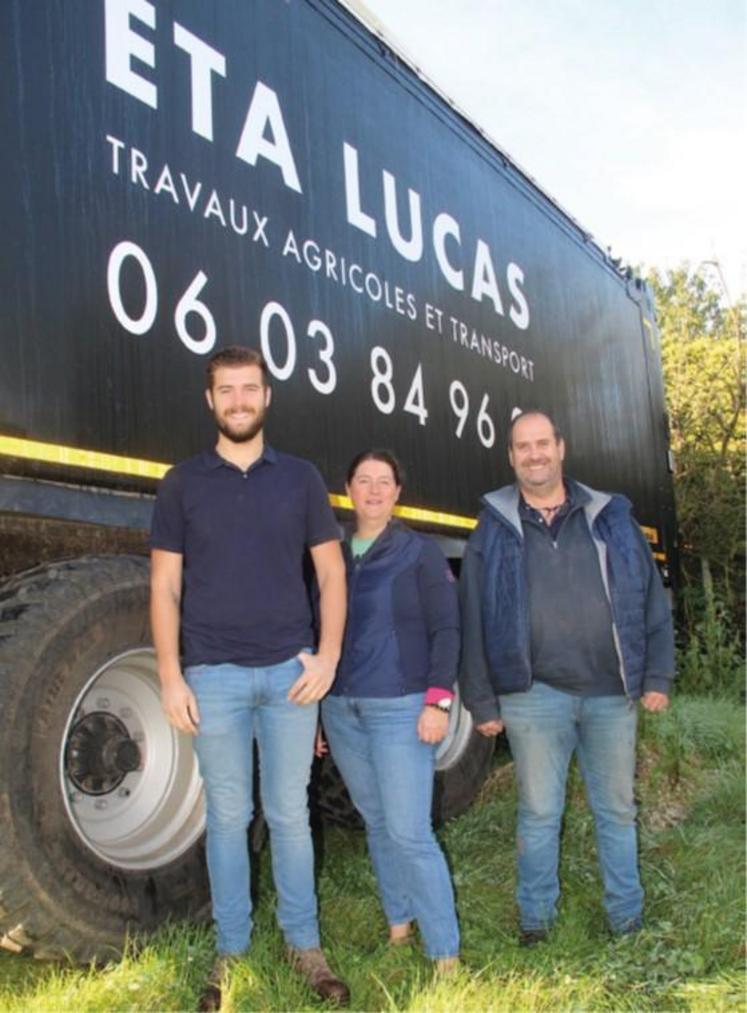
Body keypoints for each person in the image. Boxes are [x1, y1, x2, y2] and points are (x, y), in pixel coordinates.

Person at [149, 346, 349, 1009]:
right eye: (226, 389)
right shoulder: (181, 482)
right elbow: (164, 585)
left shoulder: (300, 477)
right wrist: (172, 675)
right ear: (210, 400)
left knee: (290, 814)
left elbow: (329, 572)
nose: (238, 399)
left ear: (268, 396)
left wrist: (325, 656)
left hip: (290, 675)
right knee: (229, 815)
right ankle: (229, 950)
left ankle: (306, 945)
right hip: (213, 676)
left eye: (249, 388)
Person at [459, 410, 674, 944]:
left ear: (561, 447)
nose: (534, 455)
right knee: (537, 812)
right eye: (522, 447)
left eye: (542, 444)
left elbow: (649, 598)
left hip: (611, 692)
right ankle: (536, 920)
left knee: (618, 810)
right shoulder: (493, 527)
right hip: (535, 696)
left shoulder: (611, 517)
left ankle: (626, 917)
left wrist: (658, 675)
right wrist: (482, 702)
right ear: (511, 457)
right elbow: (473, 617)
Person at [319, 449, 461, 973]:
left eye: (385, 482)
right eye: (364, 480)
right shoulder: (331, 553)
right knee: (377, 822)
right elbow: (319, 634)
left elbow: (447, 629)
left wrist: (438, 701)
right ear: (348, 490)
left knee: (408, 830)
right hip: (340, 707)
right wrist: (316, 711)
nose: (374, 490)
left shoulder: (419, 552)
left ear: (398, 492)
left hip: (400, 708)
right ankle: (398, 922)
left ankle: (445, 951)